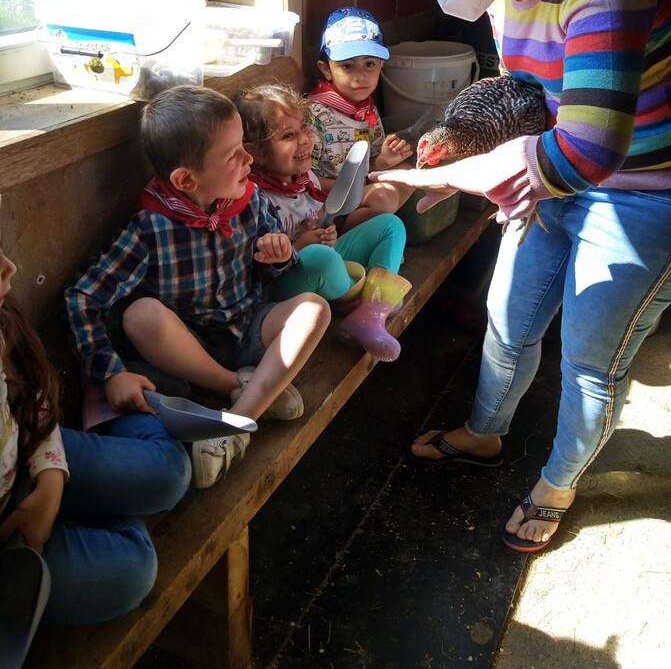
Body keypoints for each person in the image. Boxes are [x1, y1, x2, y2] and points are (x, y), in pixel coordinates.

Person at [372, 0, 671, 551]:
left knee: (593, 356)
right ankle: (486, 432)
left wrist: (451, 180)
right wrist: (461, 136)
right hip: (565, 171)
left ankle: (557, 483)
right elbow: (532, 92)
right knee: (510, 315)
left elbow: (590, 148)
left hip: (655, 191)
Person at [64, 87, 331, 490]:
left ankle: (237, 425)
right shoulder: (149, 228)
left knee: (314, 308)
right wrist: (108, 372)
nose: (248, 159)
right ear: (187, 179)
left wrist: (278, 255)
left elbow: (278, 273)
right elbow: (81, 295)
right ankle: (240, 386)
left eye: (245, 146)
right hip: (190, 351)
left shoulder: (250, 200)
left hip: (248, 326)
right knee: (141, 314)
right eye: (234, 154)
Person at [0, 205, 191, 626]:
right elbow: (81, 295)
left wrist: (50, 484)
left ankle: (104, 409)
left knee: (172, 471)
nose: (9, 268)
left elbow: (31, 401)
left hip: (27, 458)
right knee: (133, 569)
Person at [235, 82, 411, 361]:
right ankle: (362, 301)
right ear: (254, 152)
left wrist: (325, 230)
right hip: (288, 287)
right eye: (289, 136)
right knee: (321, 257)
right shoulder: (256, 198)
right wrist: (299, 245)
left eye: (305, 129)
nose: (305, 140)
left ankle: (370, 312)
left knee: (390, 225)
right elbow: (256, 269)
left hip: (326, 263)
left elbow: (319, 217)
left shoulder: (305, 178)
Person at [310, 6, 416, 229]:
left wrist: (384, 161)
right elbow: (303, 177)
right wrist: (345, 189)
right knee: (381, 198)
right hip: (325, 202)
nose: (360, 76)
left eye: (369, 64)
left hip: (359, 192)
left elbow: (370, 166)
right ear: (326, 69)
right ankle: (348, 234)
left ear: (381, 64)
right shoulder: (314, 115)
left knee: (408, 174)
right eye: (347, 66)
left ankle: (372, 227)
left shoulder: (366, 108)